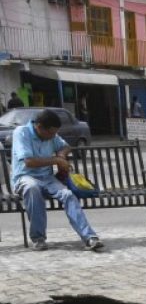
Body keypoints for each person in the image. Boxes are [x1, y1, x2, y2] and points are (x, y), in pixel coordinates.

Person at [11, 108, 103, 252]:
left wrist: (61, 156)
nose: (53, 136)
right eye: (51, 133)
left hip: (47, 178)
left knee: (68, 195)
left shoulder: (50, 134)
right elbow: (28, 162)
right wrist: (56, 161)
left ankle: (90, 237)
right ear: (39, 127)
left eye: (55, 133)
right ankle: (38, 238)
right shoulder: (21, 132)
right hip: (25, 177)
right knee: (32, 188)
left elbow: (65, 146)